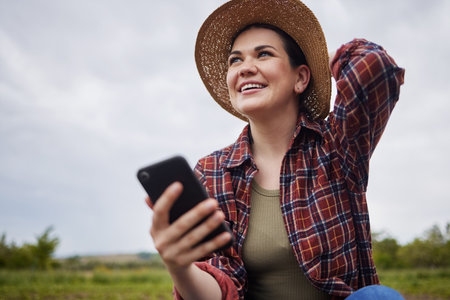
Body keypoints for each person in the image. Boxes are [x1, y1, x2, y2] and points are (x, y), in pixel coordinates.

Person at [145, 0, 405, 299]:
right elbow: (221, 288)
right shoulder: (213, 172)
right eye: (235, 60)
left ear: (301, 77)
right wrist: (179, 267)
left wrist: (320, 61)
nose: (245, 69)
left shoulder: (336, 145)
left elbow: (377, 68)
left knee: (379, 296)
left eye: (264, 54)